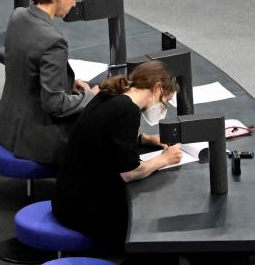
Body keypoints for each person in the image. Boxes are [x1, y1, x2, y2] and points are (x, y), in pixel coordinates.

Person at [51, 60, 184, 256]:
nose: (164, 106)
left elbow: (105, 137)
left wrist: (145, 139)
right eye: (166, 99)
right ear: (157, 88)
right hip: (83, 211)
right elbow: (129, 173)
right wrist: (164, 159)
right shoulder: (127, 110)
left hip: (66, 196)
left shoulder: (111, 95)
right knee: (153, 229)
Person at [0, 0, 94, 167]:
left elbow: (25, 70)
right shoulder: (53, 41)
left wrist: (64, 82)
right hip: (38, 141)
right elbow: (54, 105)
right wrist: (90, 97)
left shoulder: (18, 16)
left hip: (7, 127)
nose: (74, 4)